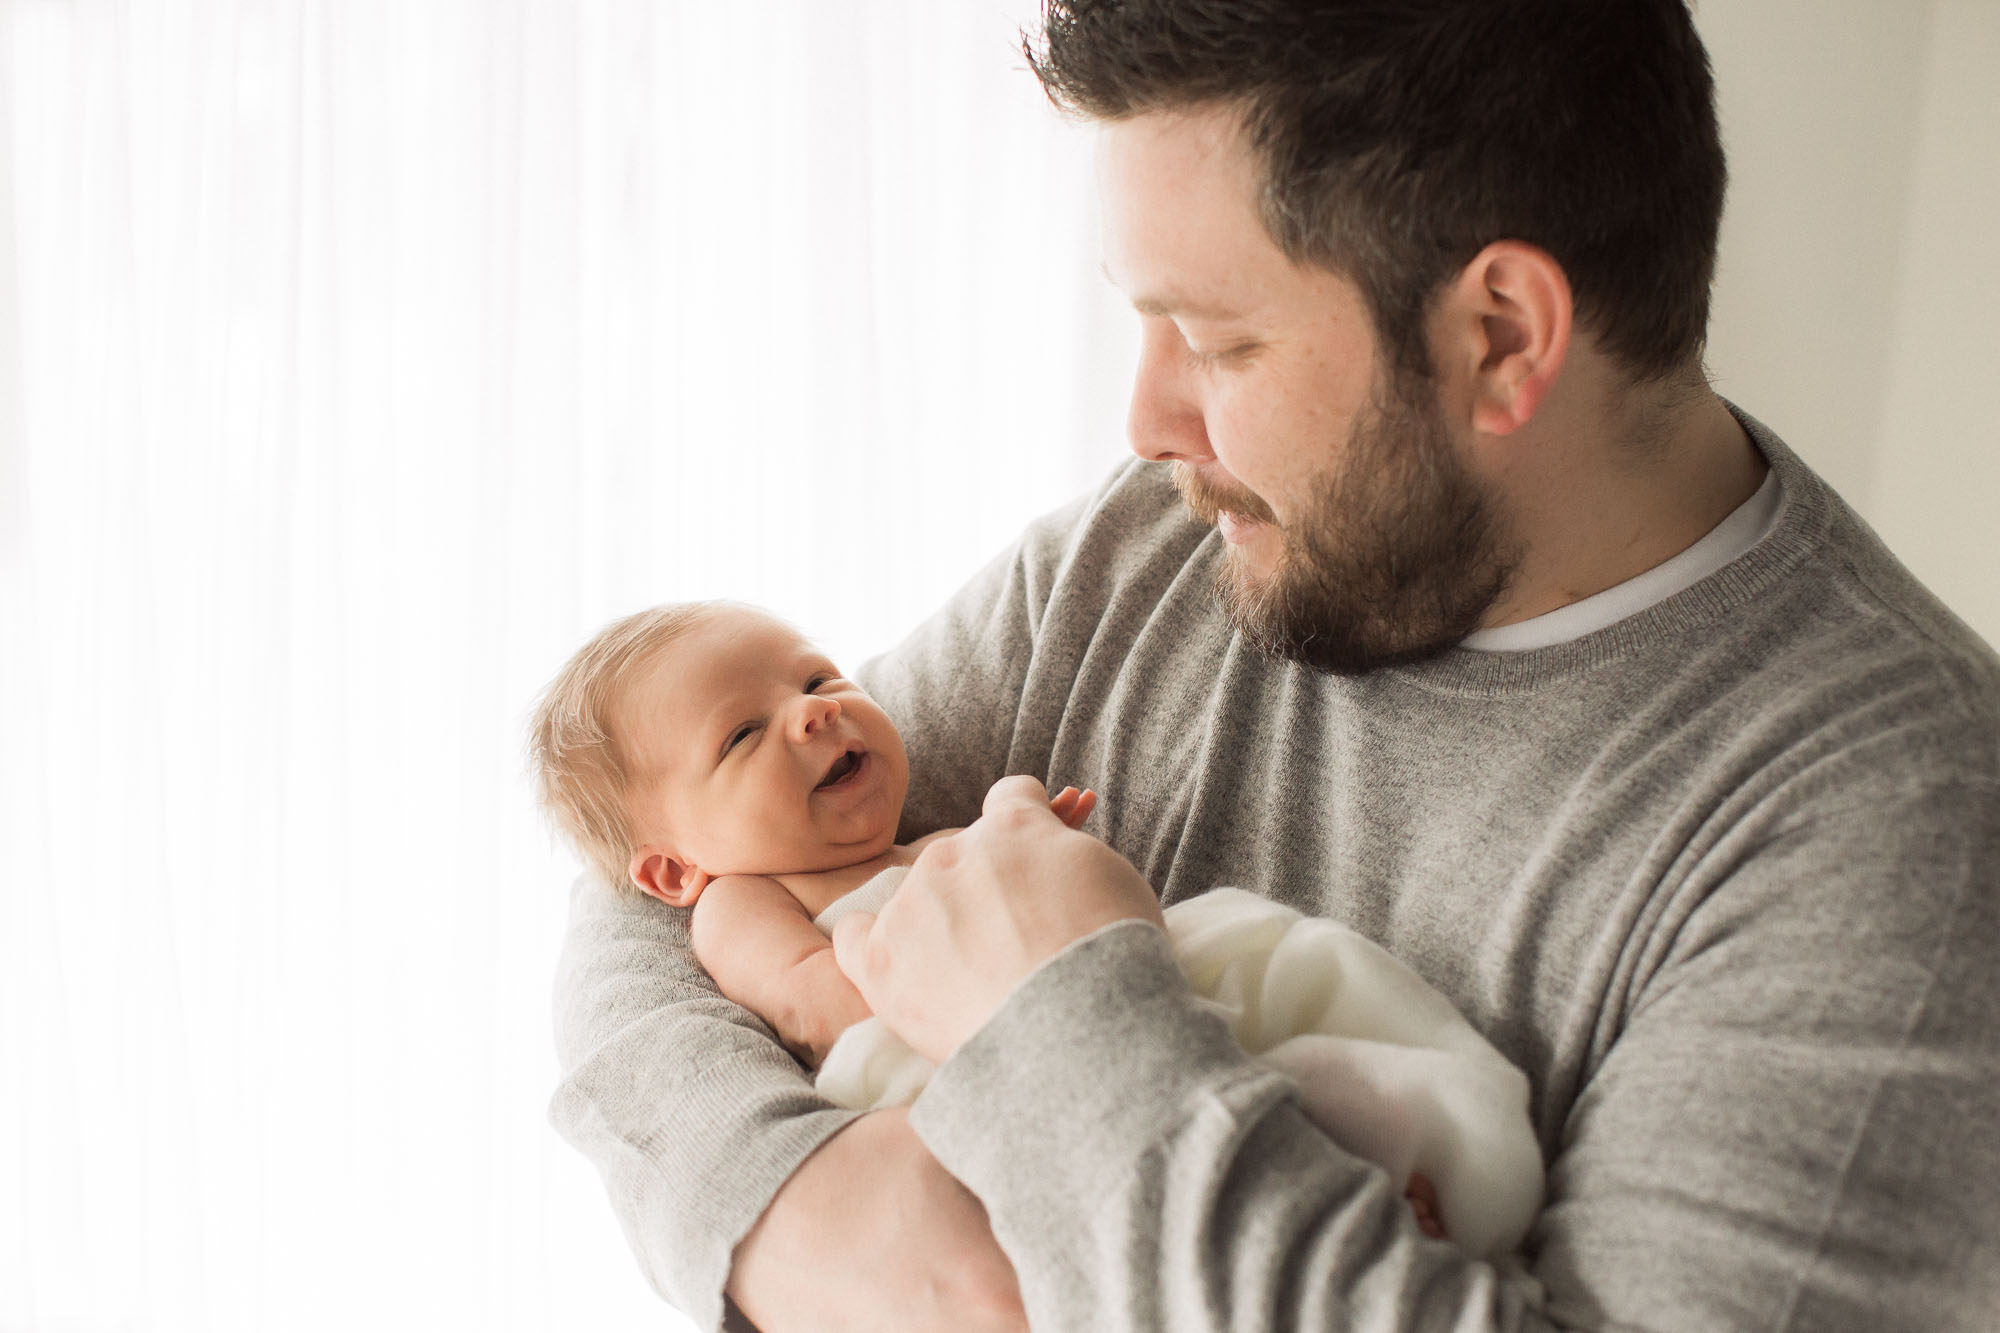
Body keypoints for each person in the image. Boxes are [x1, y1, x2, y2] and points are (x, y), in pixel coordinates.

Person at [548, 3, 2000, 1331]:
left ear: (1499, 337)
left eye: (1215, 337)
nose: (1145, 421)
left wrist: (1049, 1029)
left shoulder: (1894, 836)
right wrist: (802, 1209)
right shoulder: (1153, 550)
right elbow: (655, 873)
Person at [529, 599, 1544, 1258]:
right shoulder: (740, 898)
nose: (812, 715)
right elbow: (815, 999)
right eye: (743, 734)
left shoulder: (909, 840)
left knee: (1276, 980)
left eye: (816, 678)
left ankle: (1383, 1170)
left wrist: (1020, 846)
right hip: (937, 1067)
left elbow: (1021, 905)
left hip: (1099, 1002)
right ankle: (1333, 1207)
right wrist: (986, 952)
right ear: (671, 867)